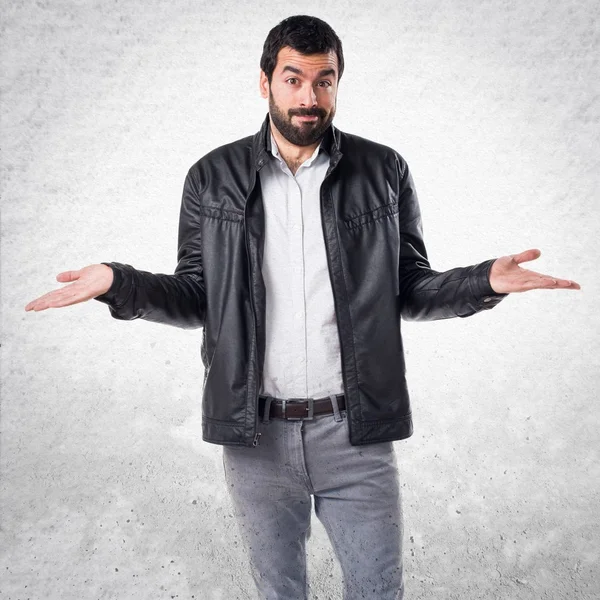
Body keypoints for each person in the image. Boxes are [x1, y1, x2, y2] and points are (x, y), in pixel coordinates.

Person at [25, 14, 580, 600]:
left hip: (356, 432)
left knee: (376, 590)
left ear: (338, 83)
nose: (309, 98)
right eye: (294, 79)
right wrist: (118, 282)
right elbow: (197, 298)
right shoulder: (211, 179)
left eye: (325, 80)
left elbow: (410, 288)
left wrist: (484, 281)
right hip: (255, 435)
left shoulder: (383, 171)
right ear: (265, 82)